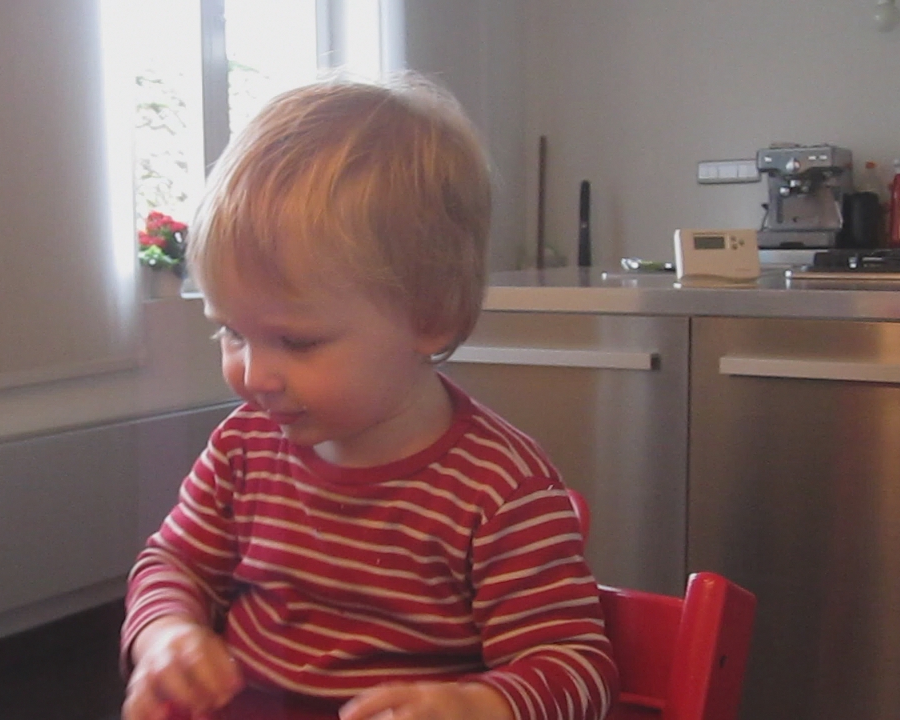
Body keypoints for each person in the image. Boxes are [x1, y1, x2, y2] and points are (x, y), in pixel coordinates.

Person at [120, 74, 618, 720]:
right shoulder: (242, 448)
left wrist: (479, 706)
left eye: (296, 342)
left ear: (429, 316)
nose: (254, 374)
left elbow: (577, 666)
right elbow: (172, 563)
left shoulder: (501, 491)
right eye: (232, 331)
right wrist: (166, 636)